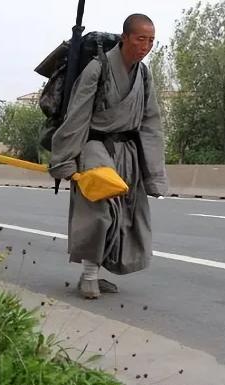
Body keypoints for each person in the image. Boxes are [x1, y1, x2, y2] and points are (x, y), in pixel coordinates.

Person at [49, 14, 168, 299]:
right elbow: (77, 116)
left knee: (125, 216)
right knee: (99, 209)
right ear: (125, 37)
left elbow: (151, 122)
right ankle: (89, 275)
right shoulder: (97, 68)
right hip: (94, 146)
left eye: (151, 40)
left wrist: (153, 173)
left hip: (127, 150)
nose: (146, 46)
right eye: (141, 39)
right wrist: (65, 158)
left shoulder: (143, 74)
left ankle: (98, 271)